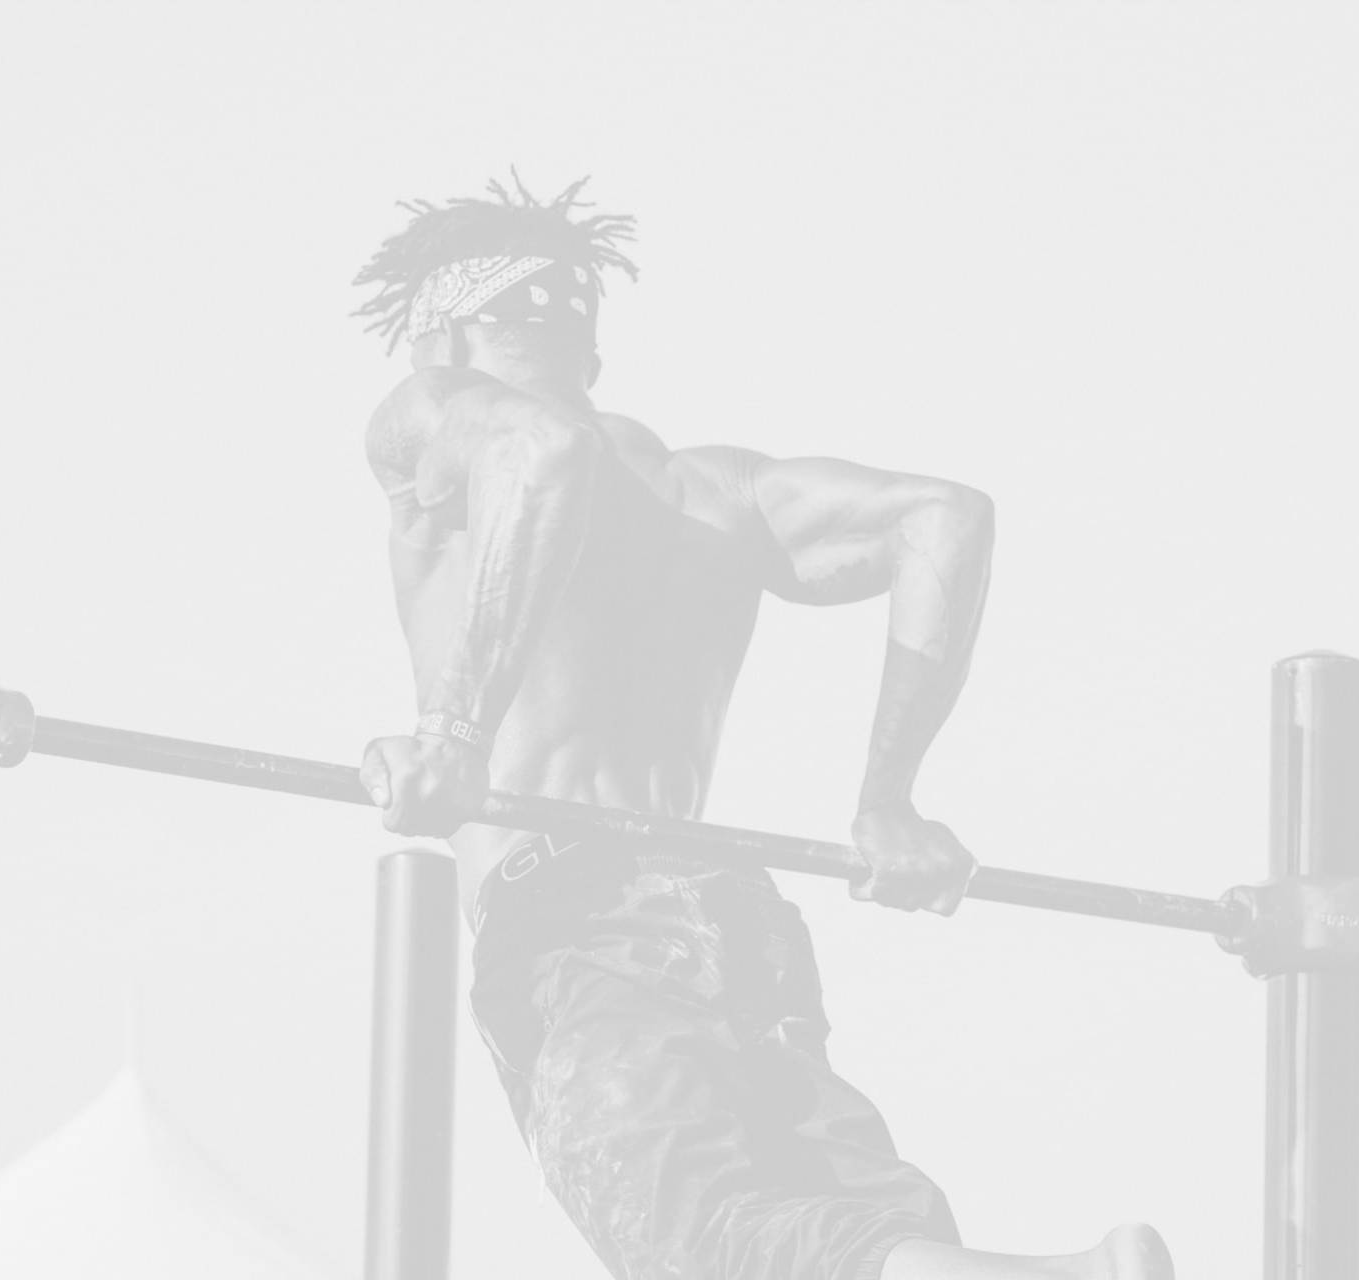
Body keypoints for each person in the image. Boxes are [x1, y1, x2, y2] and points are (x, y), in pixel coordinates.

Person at [353, 175, 1173, 1280]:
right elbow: (940, 518)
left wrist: (453, 730)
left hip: (572, 914)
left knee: (700, 1243)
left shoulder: (435, 411)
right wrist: (887, 798)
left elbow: (541, 455)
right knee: (839, 1226)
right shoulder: (713, 492)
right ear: (588, 352)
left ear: (441, 339)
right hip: (731, 914)